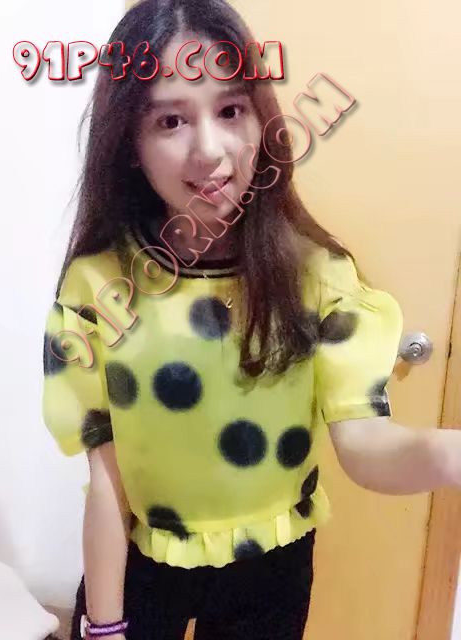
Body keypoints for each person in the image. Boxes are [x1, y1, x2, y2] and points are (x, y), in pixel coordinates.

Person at [41, 1, 461, 639]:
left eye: (232, 110)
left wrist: (446, 454)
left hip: (271, 568)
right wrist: (103, 625)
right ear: (129, 142)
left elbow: (365, 446)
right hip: (140, 561)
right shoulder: (100, 286)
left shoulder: (317, 276)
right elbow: (107, 478)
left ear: (262, 119)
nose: (210, 151)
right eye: (171, 120)